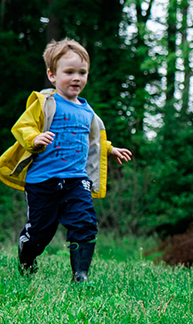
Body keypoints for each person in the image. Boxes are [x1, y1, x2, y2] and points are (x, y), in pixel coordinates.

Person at [0, 39, 133, 282]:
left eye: (82, 73)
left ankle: (80, 275)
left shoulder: (87, 110)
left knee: (85, 222)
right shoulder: (45, 102)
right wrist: (35, 138)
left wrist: (110, 149)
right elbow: (23, 126)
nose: (76, 78)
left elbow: (90, 141)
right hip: (43, 181)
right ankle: (27, 254)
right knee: (41, 232)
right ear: (52, 75)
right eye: (69, 72)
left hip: (75, 179)